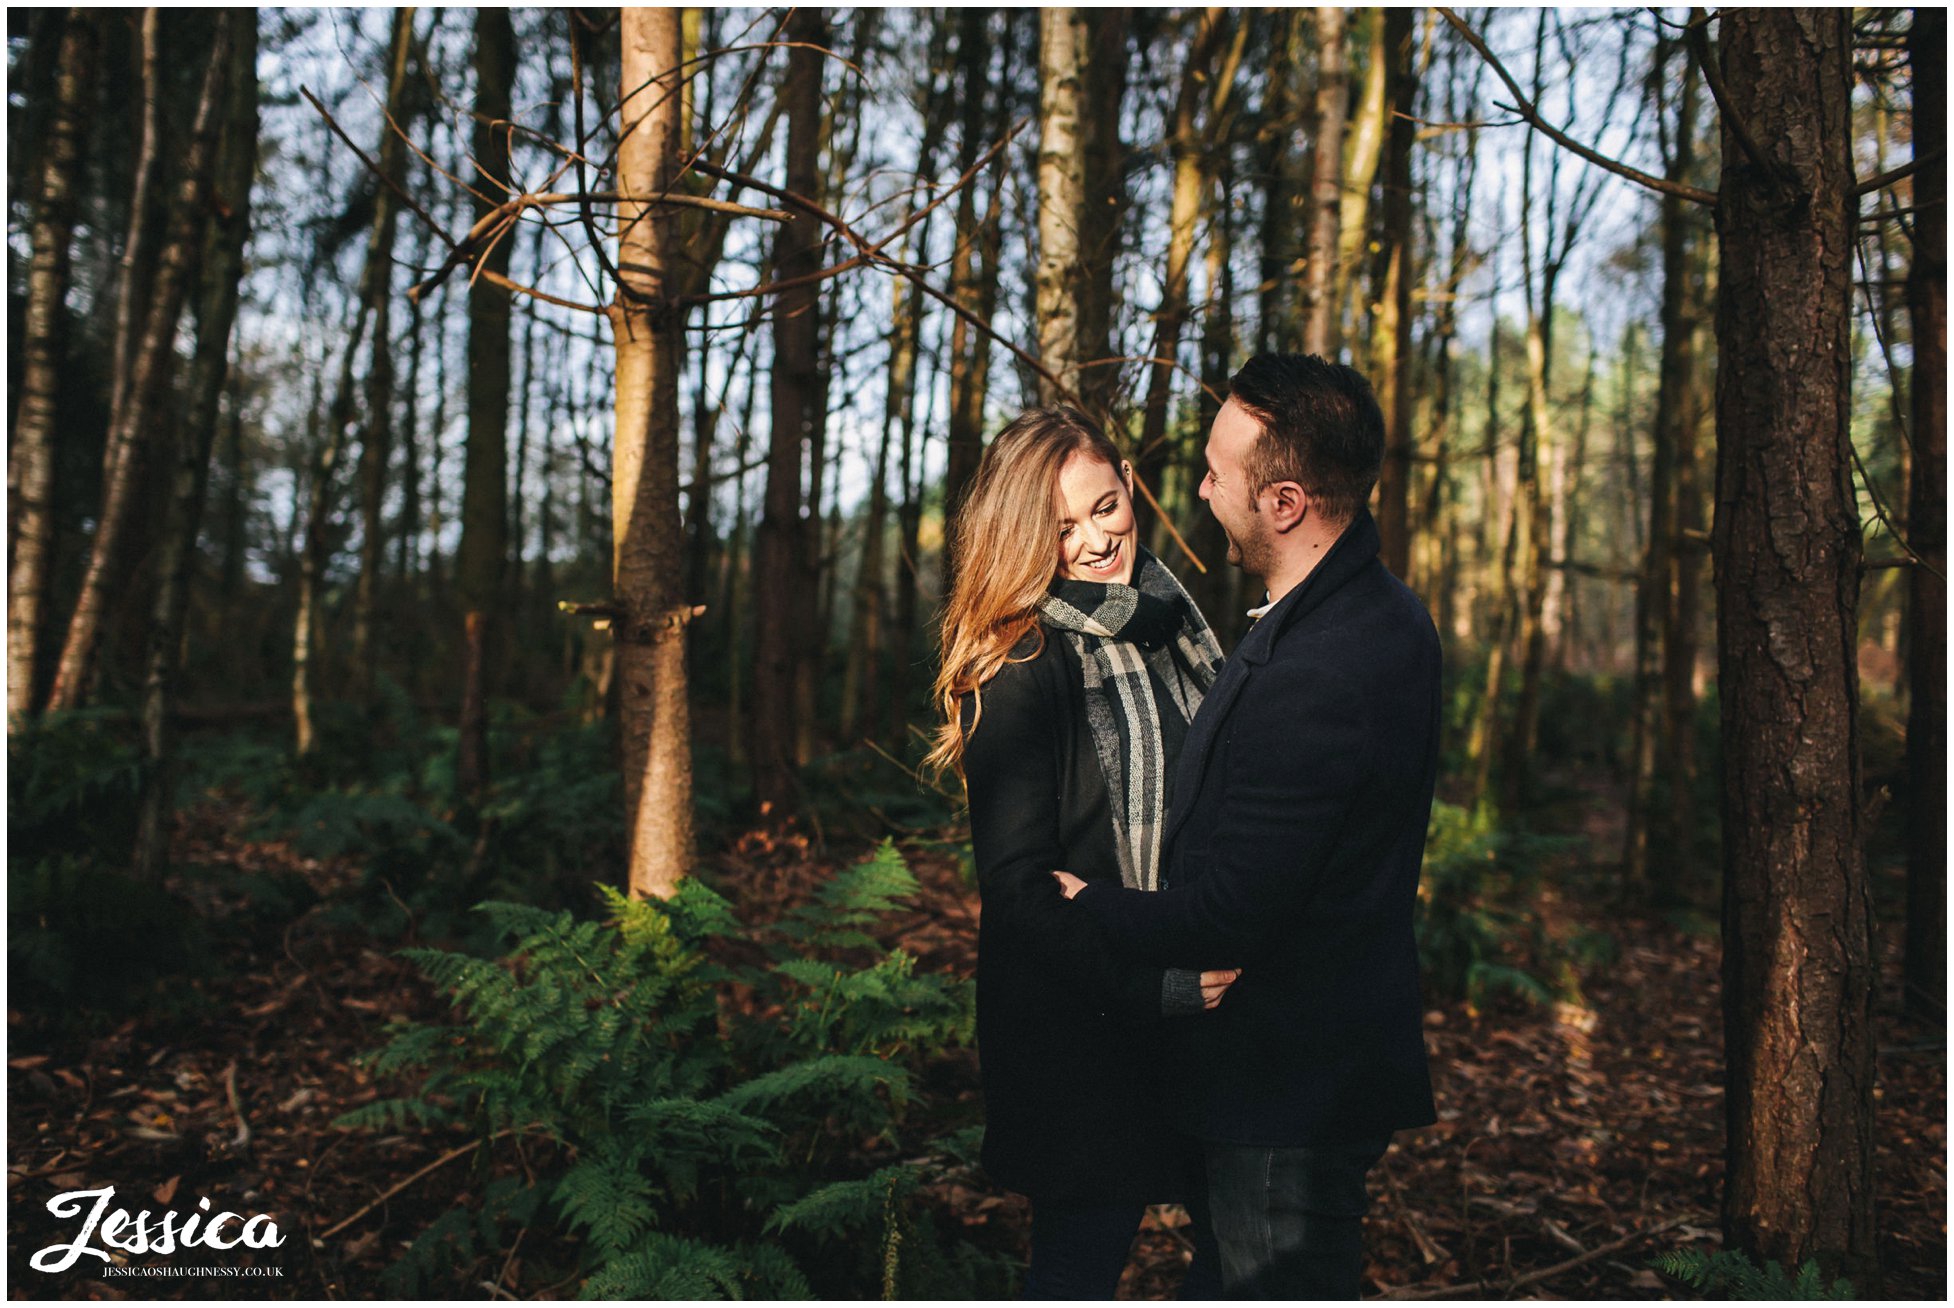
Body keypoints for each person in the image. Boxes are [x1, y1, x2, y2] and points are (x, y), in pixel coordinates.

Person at [1052, 353, 1442, 1299]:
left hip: (1287, 1097)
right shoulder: (1379, 611)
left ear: (1286, 502)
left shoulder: (1320, 669)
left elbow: (1229, 911)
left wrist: (1085, 903)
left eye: (1220, 471)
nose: (1199, 487)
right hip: (1309, 1073)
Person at [925, 406, 1238, 1299]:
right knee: (1076, 1272)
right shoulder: (1019, 662)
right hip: (1087, 1028)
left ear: (1130, 485)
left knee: (1240, 1253)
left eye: (1105, 507)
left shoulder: (1174, 624)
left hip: (1205, 1014)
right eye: (1062, 528)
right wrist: (1156, 985)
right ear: (1023, 536)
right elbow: (1020, 892)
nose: (1097, 542)